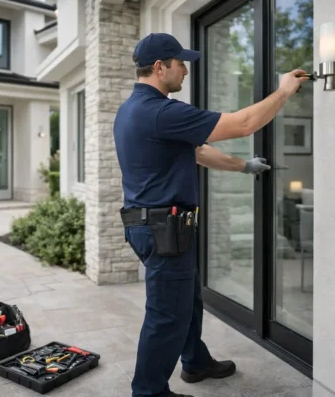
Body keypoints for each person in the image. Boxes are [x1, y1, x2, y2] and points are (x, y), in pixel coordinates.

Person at [113, 33, 308, 397]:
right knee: (166, 315)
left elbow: (199, 153)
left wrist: (243, 166)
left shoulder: (133, 110)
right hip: (163, 228)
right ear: (160, 67)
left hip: (152, 226)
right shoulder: (160, 111)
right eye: (180, 62)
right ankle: (149, 392)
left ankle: (195, 361)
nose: (186, 70)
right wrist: (283, 91)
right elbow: (244, 123)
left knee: (187, 299)